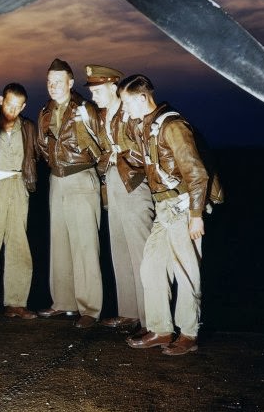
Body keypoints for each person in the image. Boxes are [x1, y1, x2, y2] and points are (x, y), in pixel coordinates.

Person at [117, 74, 209, 355]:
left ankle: (188, 333)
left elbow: (197, 173)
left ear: (142, 98)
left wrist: (196, 215)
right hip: (163, 208)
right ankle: (160, 328)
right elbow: (144, 161)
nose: (124, 110)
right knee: (151, 267)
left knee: (186, 272)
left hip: (182, 206)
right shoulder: (145, 127)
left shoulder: (172, 126)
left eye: (126, 103)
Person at [84, 65, 154, 334]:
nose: (94, 96)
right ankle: (129, 313)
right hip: (113, 183)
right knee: (120, 249)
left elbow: (146, 149)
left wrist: (119, 155)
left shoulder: (131, 113)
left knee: (140, 252)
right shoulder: (102, 115)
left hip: (134, 185)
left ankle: (152, 319)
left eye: (98, 91)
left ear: (114, 86)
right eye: (91, 91)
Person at [36, 58, 104, 329]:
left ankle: (90, 308)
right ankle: (63, 302)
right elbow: (43, 146)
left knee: (85, 244)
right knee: (59, 242)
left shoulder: (84, 108)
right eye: (49, 81)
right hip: (57, 179)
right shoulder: (45, 110)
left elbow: (101, 143)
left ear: (71, 83)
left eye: (58, 81)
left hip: (80, 177)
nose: (53, 86)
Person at [0, 83, 38, 324]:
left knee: (18, 244)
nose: (12, 109)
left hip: (19, 186)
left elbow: (39, 153)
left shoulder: (29, 127)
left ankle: (16, 303)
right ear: (1, 100)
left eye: (18, 106)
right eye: (9, 103)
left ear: (23, 106)